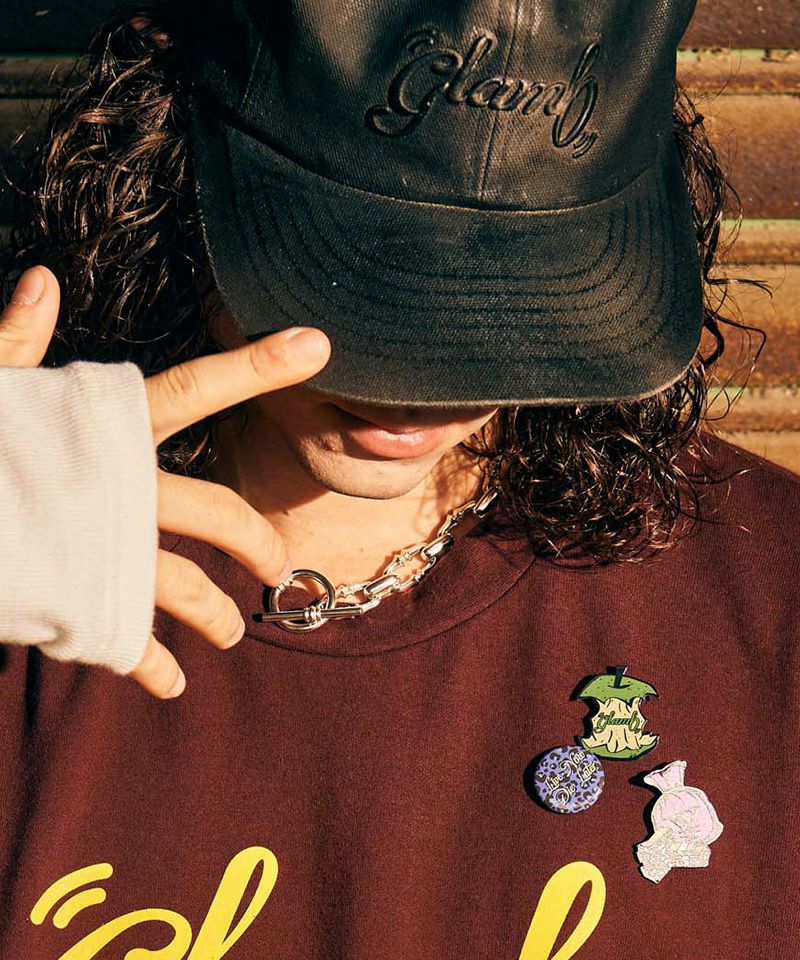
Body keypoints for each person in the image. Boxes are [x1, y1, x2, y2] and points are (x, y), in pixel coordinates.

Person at [0, 1, 797, 958]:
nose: (425, 379)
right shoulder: (17, 562)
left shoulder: (771, 592)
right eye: (362, 267)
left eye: (530, 280)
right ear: (173, 160)